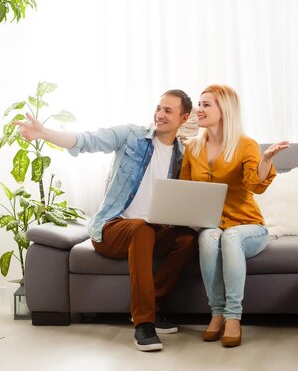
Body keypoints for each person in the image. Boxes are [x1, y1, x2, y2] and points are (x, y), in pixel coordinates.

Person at [14, 89, 197, 352]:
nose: (159, 115)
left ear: (183, 117)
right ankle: (143, 323)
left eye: (168, 110)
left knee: (187, 239)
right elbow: (86, 140)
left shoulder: (182, 155)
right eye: (158, 108)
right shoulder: (131, 136)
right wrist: (45, 133)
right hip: (113, 228)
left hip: (153, 230)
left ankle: (153, 306)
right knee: (141, 229)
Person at [179, 84, 289, 348]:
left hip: (249, 228)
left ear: (224, 110)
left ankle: (232, 317)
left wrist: (265, 160)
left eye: (206, 104)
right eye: (199, 104)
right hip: (212, 225)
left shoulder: (245, 144)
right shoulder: (193, 148)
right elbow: (184, 190)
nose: (199, 109)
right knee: (207, 238)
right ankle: (216, 313)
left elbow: (255, 185)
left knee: (230, 237)